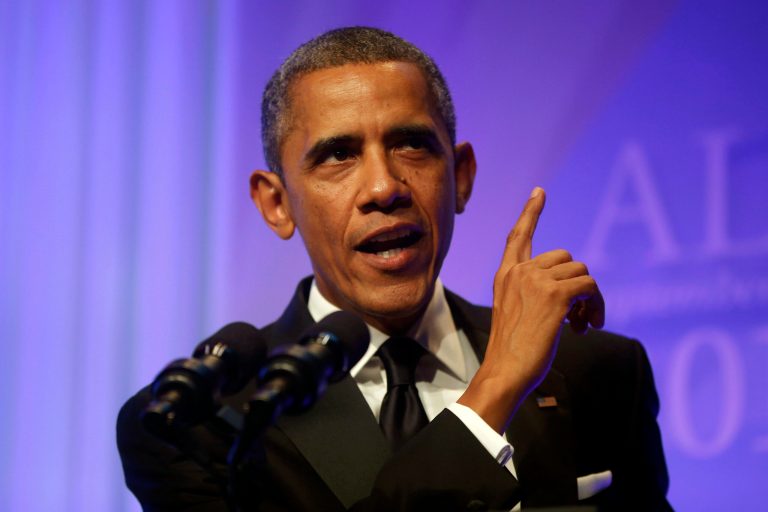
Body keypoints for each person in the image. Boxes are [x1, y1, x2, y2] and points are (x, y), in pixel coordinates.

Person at [118, 26, 671, 511]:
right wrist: (495, 387)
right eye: (338, 155)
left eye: (411, 145)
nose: (384, 188)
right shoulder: (201, 423)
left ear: (460, 177)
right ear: (276, 203)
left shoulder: (598, 371)